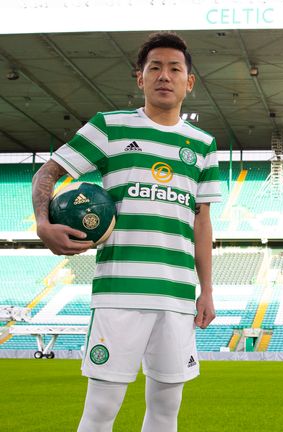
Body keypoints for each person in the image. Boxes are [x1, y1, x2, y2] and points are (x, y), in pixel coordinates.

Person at [31, 31, 220, 432]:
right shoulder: (110, 127)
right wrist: (44, 223)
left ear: (189, 82)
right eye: (155, 68)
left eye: (174, 69)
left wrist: (208, 289)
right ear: (140, 78)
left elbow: (201, 222)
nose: (164, 76)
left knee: (166, 410)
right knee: (101, 410)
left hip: (178, 295)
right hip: (119, 292)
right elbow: (49, 171)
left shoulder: (202, 145)